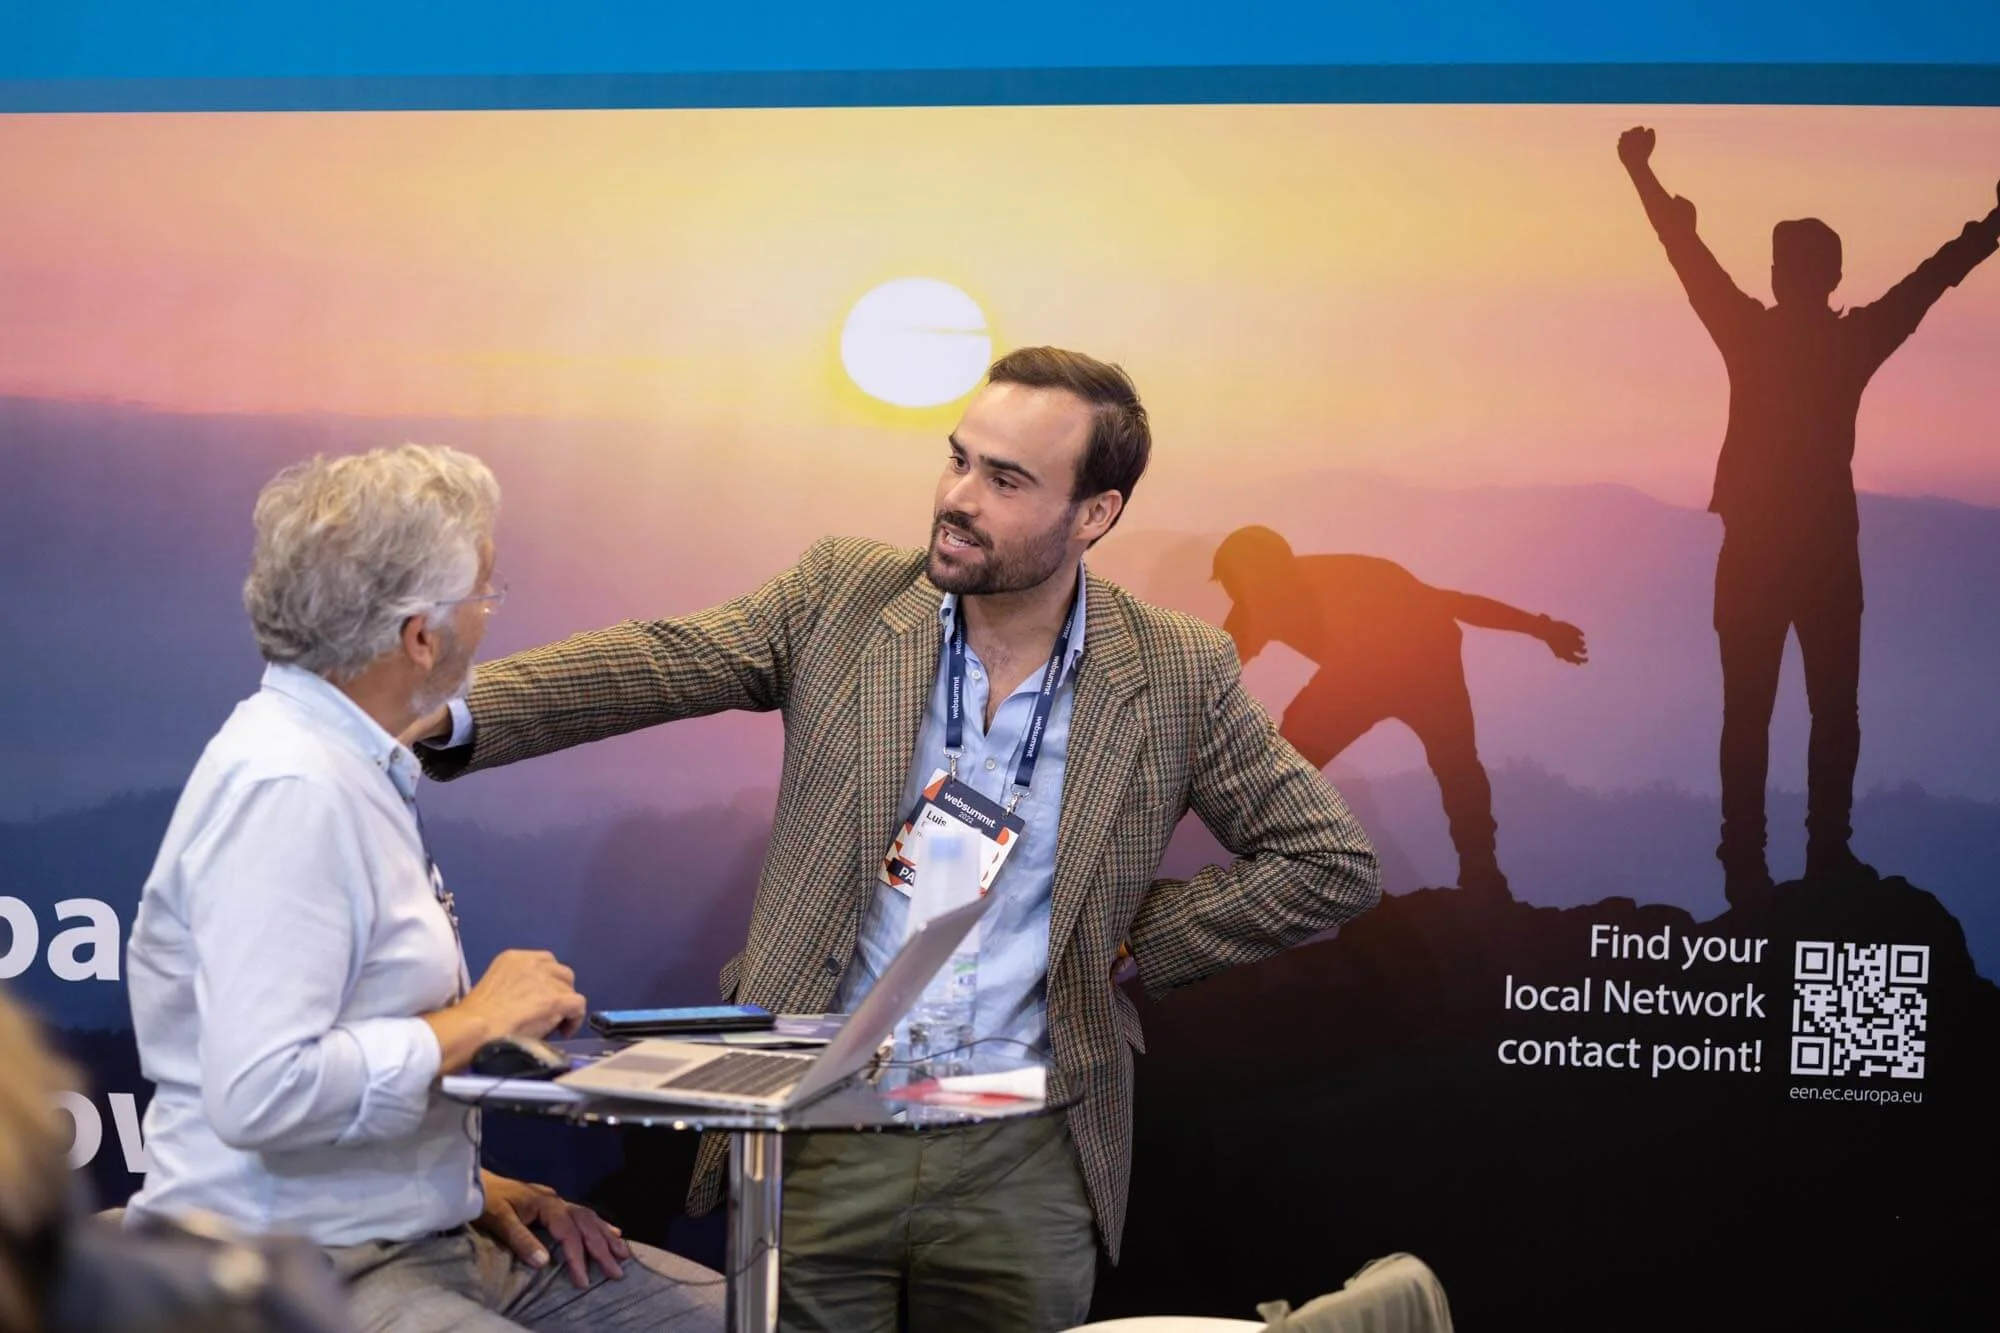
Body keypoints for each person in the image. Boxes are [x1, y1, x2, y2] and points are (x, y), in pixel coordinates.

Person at [409, 347, 1382, 1332]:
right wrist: (435, 711)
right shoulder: (842, 597)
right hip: (826, 1128)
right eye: (957, 459)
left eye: (1004, 480)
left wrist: (1126, 936)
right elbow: (653, 664)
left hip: (1027, 1153)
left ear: (1094, 513)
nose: (957, 497)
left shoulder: (1173, 667)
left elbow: (1325, 860)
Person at [124, 445, 723, 1333]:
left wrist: (467, 1184)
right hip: (292, 1265)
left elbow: (351, 1040)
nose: (490, 616)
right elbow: (261, 1090)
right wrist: (479, 1019)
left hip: (423, 1227)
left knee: (722, 1312)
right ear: (419, 636)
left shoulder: (350, 760)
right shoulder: (291, 789)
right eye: (483, 595)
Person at [1619, 125, 2000, 902]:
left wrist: (1642, 176)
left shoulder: (1750, 334)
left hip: (1758, 554)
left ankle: (1747, 866)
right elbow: (1932, 278)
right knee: (1831, 711)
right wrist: (1993, 228)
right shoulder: (1850, 341)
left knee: (1750, 714)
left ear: (1784, 273)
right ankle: (1824, 855)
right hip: (1826, 554)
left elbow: (1685, 255)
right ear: (1831, 275)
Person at [1211, 525, 1587, 898]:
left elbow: (1451, 603)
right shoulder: (1253, 607)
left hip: (1426, 667)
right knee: (1296, 759)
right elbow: (1218, 676)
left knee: (1454, 767)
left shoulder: (1357, 578)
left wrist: (1541, 628)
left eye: (1234, 583)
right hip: (1360, 676)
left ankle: (1481, 871)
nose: (1235, 595)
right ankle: (1277, 862)